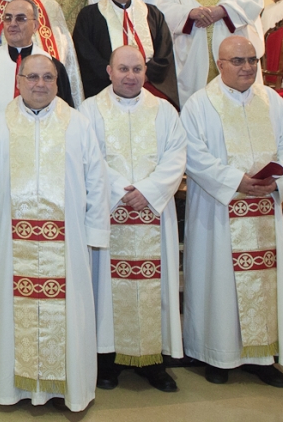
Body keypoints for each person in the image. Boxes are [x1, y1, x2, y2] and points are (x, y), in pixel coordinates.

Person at [0, 53, 108, 412]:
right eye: (32, 77)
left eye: (48, 77)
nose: (40, 84)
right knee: (9, 313)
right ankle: (11, 387)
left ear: (57, 83)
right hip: (9, 242)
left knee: (70, 315)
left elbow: (97, 181)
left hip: (68, 244)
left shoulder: (76, 124)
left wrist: (94, 231)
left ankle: (70, 387)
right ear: (19, 81)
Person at [181, 36, 283, 388]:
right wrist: (235, 180)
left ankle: (261, 358)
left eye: (252, 59)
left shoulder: (272, 102)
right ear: (220, 64)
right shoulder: (201, 104)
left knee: (262, 285)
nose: (247, 66)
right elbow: (193, 153)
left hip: (262, 208)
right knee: (218, 284)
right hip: (219, 213)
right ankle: (217, 356)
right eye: (238, 61)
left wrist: (276, 181)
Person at [80, 46, 186, 393]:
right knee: (106, 292)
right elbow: (87, 157)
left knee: (155, 290)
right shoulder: (90, 110)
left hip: (153, 214)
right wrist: (121, 191)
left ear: (145, 72)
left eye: (137, 69)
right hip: (108, 215)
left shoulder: (165, 111)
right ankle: (107, 361)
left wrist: (150, 190)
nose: (130, 76)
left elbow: (176, 157)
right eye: (123, 68)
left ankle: (153, 362)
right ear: (109, 71)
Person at [73, 0, 179, 108]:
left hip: (150, 87)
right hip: (106, 88)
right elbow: (87, 57)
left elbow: (165, 54)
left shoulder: (153, 14)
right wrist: (119, 77)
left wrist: (141, 75)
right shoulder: (89, 16)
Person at [0, 0, 74, 119]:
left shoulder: (52, 67)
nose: (12, 24)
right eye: (8, 18)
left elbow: (65, 113)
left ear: (35, 26)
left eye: (20, 19)